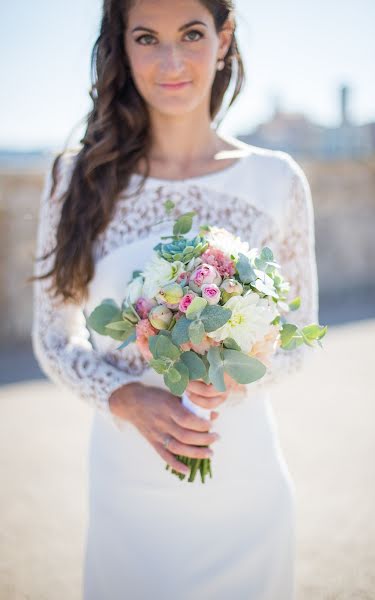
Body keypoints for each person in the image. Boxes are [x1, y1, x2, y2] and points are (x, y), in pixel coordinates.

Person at [30, 1, 319, 598]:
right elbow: (53, 338)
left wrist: (239, 379)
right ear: (122, 47)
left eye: (191, 33)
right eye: (146, 37)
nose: (171, 61)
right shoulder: (78, 178)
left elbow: (301, 332)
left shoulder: (277, 179)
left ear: (224, 38)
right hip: (127, 483)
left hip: (244, 478)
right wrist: (126, 397)